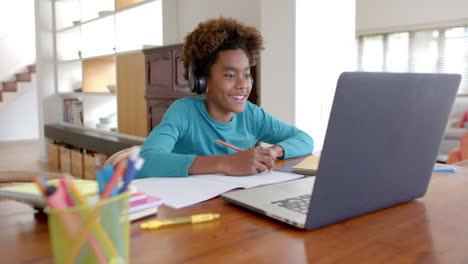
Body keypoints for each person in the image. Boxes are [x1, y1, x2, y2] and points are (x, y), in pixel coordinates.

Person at [137, 17, 313, 178]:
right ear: (202, 79)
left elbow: (304, 139)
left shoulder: (251, 115)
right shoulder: (184, 112)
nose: (242, 84)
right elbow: (146, 161)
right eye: (230, 75)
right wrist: (226, 163)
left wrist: (274, 151)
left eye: (246, 74)